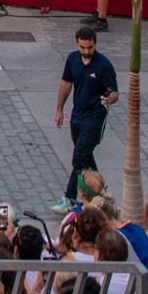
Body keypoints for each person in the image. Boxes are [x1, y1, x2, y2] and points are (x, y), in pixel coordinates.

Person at [55, 24, 119, 203]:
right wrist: (59, 109)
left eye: (90, 47)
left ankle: (68, 197)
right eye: (82, 47)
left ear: (95, 44)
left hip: (95, 118)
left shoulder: (104, 65)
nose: (86, 51)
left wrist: (109, 99)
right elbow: (66, 84)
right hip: (77, 115)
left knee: (79, 155)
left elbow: (114, 92)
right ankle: (100, 191)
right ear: (77, 44)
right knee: (85, 157)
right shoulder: (72, 59)